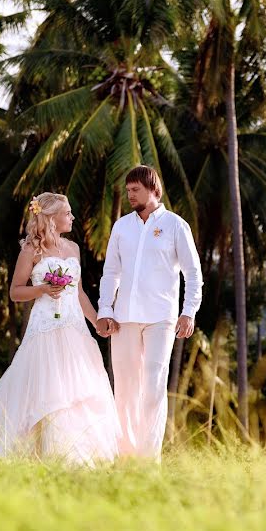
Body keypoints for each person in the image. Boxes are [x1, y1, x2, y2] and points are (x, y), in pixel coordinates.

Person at [0, 193, 120, 466]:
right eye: (67, 213)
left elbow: (80, 293)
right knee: (45, 389)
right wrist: (43, 290)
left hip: (75, 329)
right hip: (45, 329)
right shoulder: (30, 251)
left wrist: (96, 322)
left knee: (76, 391)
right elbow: (15, 292)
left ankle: (76, 458)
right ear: (51, 218)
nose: (72, 217)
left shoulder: (73, 250)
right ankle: (33, 454)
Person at [97, 165, 203, 460]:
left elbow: (193, 275)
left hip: (161, 318)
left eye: (136, 190)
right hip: (123, 319)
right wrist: (105, 309)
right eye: (128, 190)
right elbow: (111, 273)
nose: (130, 195)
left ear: (153, 190)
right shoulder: (121, 226)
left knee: (154, 387)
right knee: (126, 388)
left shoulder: (175, 225)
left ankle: (148, 461)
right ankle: (126, 456)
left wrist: (189, 312)